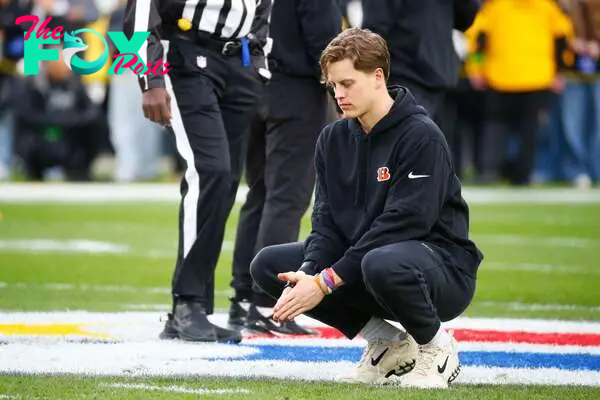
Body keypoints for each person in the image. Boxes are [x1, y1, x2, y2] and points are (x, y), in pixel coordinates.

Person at [250, 28, 484, 389]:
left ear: (378, 77)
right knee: (270, 266)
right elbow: (325, 223)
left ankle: (437, 347)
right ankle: (387, 343)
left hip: (440, 270)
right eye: (332, 86)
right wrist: (310, 274)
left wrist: (326, 282)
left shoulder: (421, 135)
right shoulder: (332, 138)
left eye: (347, 83)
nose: (339, 95)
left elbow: (406, 223)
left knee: (382, 261)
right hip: (369, 264)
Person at [124, 0, 271, 343]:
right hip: (187, 59)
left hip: (240, 64)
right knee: (210, 173)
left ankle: (194, 310)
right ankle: (187, 303)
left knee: (225, 184)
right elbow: (139, 16)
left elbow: (265, 13)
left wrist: (259, 65)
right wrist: (150, 80)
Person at [227, 0, 342, 335]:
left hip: (255, 84)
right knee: (286, 198)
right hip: (296, 91)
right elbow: (325, 42)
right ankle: (266, 302)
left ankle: (243, 299)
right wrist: (339, 88)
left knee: (259, 195)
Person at [361, 0, 481, 178]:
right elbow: (467, 15)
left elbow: (375, 25)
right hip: (437, 67)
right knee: (427, 150)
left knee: (401, 151)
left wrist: (364, 70)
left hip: (400, 66)